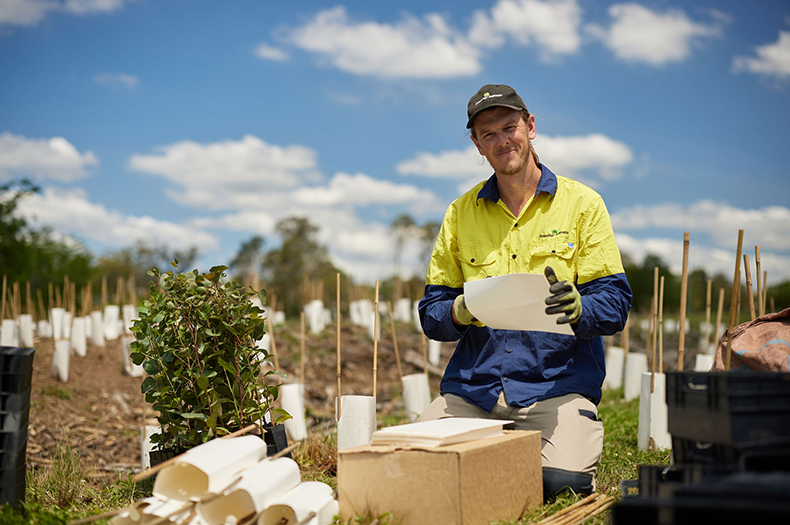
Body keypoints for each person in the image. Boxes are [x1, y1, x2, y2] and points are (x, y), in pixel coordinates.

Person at [417, 84, 632, 500]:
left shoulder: (582, 204)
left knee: (559, 484)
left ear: (530, 127)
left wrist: (580, 308)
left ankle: (516, 451)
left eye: (509, 127)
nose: (502, 140)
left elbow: (616, 304)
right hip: (474, 390)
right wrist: (460, 310)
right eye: (488, 134)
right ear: (478, 146)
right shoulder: (460, 214)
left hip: (555, 386)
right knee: (418, 465)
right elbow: (432, 314)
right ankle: (488, 449)